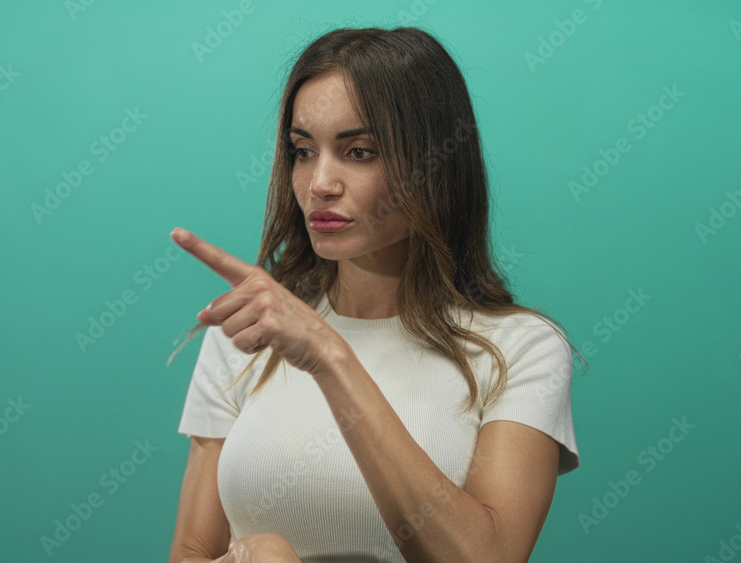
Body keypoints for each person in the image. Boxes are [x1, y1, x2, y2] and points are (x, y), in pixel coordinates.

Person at [168, 26, 582, 563]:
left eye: (359, 152)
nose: (319, 183)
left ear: (434, 164)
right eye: (302, 151)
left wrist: (330, 357)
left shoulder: (520, 349)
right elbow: (192, 552)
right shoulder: (250, 330)